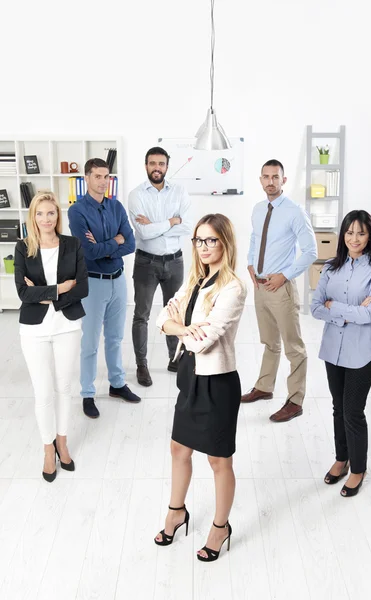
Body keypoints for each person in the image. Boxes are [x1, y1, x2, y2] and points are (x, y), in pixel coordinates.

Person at [154, 213, 246, 562]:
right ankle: (176, 512)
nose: (204, 247)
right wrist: (179, 327)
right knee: (179, 449)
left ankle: (220, 528)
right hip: (190, 379)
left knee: (219, 461)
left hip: (218, 383)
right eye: (199, 240)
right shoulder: (194, 279)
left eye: (212, 240)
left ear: (225, 243)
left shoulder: (233, 287)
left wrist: (178, 329)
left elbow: (203, 341)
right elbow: (163, 316)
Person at [311, 210, 371, 497]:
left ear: (370, 237)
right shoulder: (331, 266)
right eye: (349, 232)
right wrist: (343, 311)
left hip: (363, 351)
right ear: (343, 235)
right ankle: (341, 459)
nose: (354, 238)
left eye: (361, 233)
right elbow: (316, 306)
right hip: (333, 350)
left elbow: (369, 314)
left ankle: (358, 469)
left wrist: (335, 308)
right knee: (337, 407)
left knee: (353, 412)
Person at [14, 191, 88, 482]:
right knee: (43, 391)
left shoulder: (73, 244)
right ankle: (48, 449)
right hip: (33, 329)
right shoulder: (23, 248)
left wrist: (43, 294)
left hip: (67, 325)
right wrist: (59, 289)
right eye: (40, 213)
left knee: (64, 387)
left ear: (59, 215)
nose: (46, 219)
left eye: (51, 213)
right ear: (33, 217)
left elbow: (82, 288)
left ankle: (62, 440)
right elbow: (22, 292)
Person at [242, 159, 317, 422]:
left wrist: (284, 275)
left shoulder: (295, 212)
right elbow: (255, 237)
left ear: (283, 180)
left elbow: (311, 251)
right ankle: (264, 387)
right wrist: (250, 263)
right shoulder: (258, 209)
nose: (270, 181)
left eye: (275, 177)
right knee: (269, 342)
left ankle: (295, 400)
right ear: (260, 180)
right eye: (266, 177)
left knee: (293, 347)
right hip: (260, 286)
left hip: (281, 288)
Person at [68, 158, 140, 419]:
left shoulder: (116, 207)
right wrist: (114, 242)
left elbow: (130, 244)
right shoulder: (77, 212)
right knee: (89, 342)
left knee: (115, 338)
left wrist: (105, 245)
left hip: (118, 280)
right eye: (97, 176)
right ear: (87, 178)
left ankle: (117, 384)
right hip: (93, 283)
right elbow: (89, 251)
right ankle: (87, 393)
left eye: (106, 176)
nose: (102, 181)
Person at [128, 146, 192, 387]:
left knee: (176, 313)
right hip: (146, 262)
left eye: (161, 164)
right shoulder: (136, 195)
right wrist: (171, 221)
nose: (157, 168)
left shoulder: (179, 192)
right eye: (152, 163)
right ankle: (141, 365)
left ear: (167, 166)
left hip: (175, 261)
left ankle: (174, 358)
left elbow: (187, 227)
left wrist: (157, 225)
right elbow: (142, 232)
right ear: (146, 166)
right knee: (141, 315)